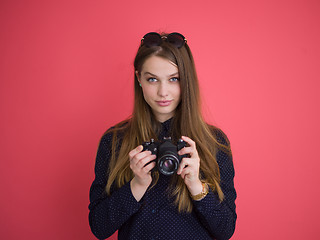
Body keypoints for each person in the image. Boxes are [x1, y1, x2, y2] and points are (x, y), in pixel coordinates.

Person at [88, 32, 237, 240]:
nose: (163, 92)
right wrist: (137, 185)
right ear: (139, 78)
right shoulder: (114, 141)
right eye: (152, 79)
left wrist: (196, 185)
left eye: (174, 79)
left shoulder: (214, 141)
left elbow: (225, 230)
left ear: (187, 80)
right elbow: (99, 227)